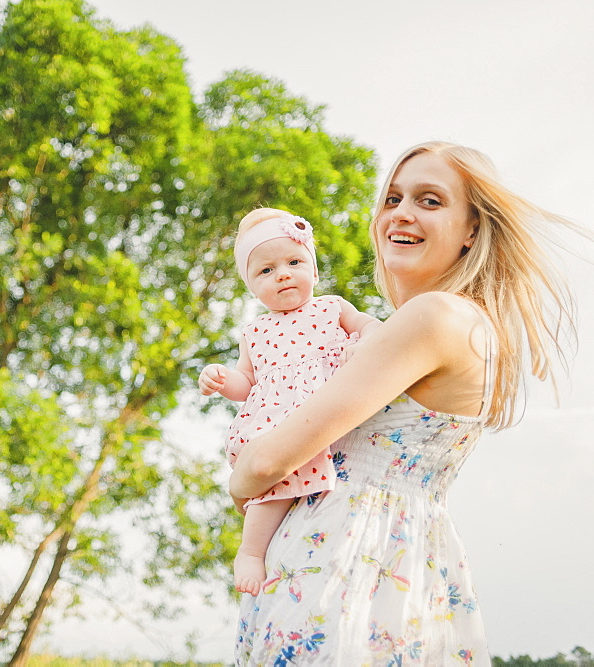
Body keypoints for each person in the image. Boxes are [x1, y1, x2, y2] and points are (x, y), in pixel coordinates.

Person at [227, 141, 586, 665]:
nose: (402, 212)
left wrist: (241, 483)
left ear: (472, 229)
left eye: (430, 200)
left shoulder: (433, 316)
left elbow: (266, 460)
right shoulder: (474, 324)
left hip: (342, 565)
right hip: (408, 567)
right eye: (393, 197)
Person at [198, 207, 381, 597]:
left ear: (313, 271)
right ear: (251, 286)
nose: (282, 273)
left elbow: (373, 326)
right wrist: (220, 378)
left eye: (294, 262)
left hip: (331, 413)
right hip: (278, 423)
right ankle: (250, 552)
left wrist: (361, 343)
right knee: (273, 489)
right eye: (265, 270)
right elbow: (246, 383)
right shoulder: (255, 331)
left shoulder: (332, 307)